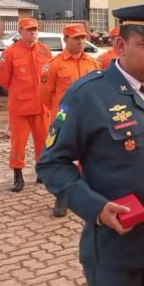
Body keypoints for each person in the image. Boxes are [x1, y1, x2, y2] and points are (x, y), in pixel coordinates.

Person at [36, 2, 144, 286]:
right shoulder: (88, 94)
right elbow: (52, 163)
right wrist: (95, 208)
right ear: (120, 45)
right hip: (116, 249)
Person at [39, 23, 98, 216]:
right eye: (76, 38)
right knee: (62, 159)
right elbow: (45, 96)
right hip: (64, 120)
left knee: (90, 158)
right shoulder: (54, 64)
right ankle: (62, 197)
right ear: (65, 39)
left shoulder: (93, 64)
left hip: (89, 119)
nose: (81, 42)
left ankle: (89, 196)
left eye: (83, 38)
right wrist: (61, 114)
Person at [0, 17, 52, 192]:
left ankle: (42, 172)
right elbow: (3, 79)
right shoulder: (10, 52)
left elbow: (49, 76)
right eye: (28, 30)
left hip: (41, 107)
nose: (33, 32)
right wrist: (19, 91)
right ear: (20, 31)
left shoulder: (44, 50)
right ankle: (18, 176)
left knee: (44, 142)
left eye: (35, 29)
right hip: (20, 108)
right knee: (18, 144)